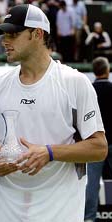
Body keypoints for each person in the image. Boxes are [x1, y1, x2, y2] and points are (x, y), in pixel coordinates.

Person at [0, 4, 108, 222]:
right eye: (4, 34)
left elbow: (99, 148)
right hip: (5, 210)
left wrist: (49, 152)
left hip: (60, 211)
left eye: (14, 34)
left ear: (37, 34)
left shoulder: (74, 82)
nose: (5, 41)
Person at [84, 57, 112, 222]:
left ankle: (89, 218)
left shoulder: (89, 90)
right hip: (109, 143)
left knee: (92, 184)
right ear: (107, 70)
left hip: (94, 143)